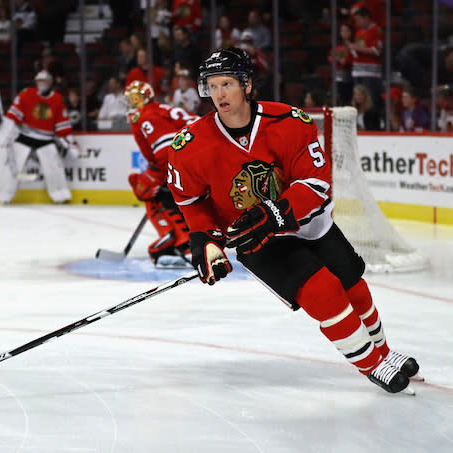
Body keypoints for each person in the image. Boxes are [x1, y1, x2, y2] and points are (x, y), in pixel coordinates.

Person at [166, 47, 420, 394]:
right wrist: (206, 241)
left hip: (307, 223)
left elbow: (315, 183)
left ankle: (385, 353)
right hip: (258, 240)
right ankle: (372, 365)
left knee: (353, 286)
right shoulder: (189, 145)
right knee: (324, 291)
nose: (219, 94)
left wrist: (274, 213)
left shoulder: (289, 121)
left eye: (226, 84)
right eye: (212, 85)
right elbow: (192, 202)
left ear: (247, 85)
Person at [125, 80, 198, 265]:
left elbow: (166, 150)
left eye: (136, 99)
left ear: (147, 98)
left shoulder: (146, 116)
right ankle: (187, 240)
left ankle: (180, 241)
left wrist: (168, 178)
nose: (133, 104)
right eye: (131, 100)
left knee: (151, 191)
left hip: (191, 158)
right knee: (160, 188)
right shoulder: (156, 110)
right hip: (196, 154)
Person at [0, 70, 80, 204]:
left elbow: (62, 126)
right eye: (39, 81)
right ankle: (3, 195)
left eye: (45, 81)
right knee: (12, 166)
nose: (42, 84)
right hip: (25, 136)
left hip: (46, 139)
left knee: (54, 168)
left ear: (50, 83)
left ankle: (60, 195)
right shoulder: (26, 94)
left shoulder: (57, 98)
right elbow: (13, 116)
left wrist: (71, 144)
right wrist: (4, 133)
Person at [346, 7, 383, 109]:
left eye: (358, 20)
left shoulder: (376, 30)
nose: (356, 23)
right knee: (358, 99)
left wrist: (357, 48)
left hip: (371, 73)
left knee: (370, 99)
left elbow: (377, 51)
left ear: (366, 18)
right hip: (357, 71)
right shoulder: (359, 32)